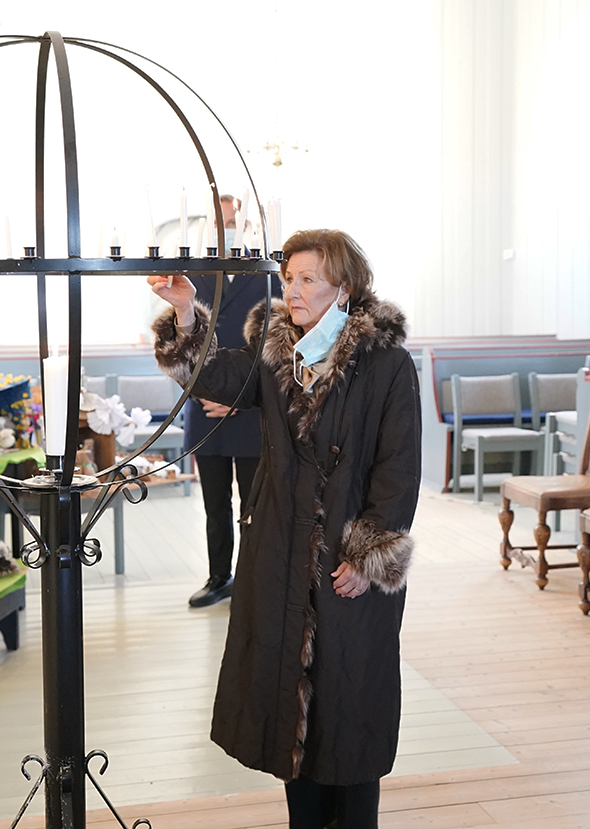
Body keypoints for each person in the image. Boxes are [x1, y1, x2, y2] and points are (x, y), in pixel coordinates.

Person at [150, 228, 420, 828]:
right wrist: (185, 311)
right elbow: (214, 376)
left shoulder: (387, 363)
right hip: (280, 555)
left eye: (306, 280)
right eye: (288, 278)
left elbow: (398, 469)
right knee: (291, 715)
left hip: (346, 562)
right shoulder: (276, 355)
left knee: (348, 708)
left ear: (342, 288)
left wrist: (369, 555)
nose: (291, 291)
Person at [184, 194, 283, 608]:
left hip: (250, 412)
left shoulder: (267, 274)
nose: (226, 230)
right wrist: (208, 394)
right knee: (214, 505)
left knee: (253, 505)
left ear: (247, 226)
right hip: (204, 411)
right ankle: (218, 577)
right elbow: (182, 346)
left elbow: (275, 349)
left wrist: (239, 399)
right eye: (219, 222)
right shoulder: (191, 274)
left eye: (232, 222)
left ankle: (252, 581)